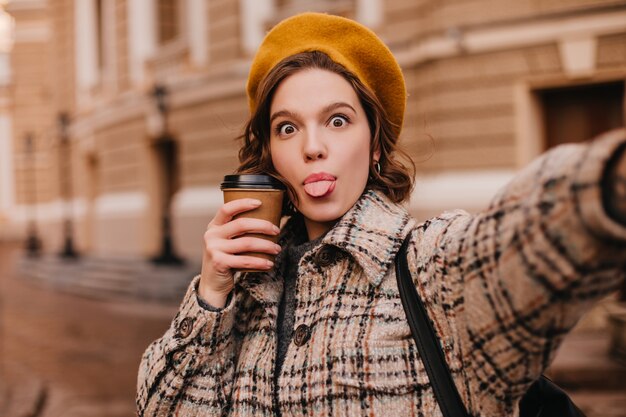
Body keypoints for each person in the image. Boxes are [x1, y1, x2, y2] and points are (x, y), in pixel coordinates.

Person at [136, 12, 626, 417]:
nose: (312, 147)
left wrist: (606, 183)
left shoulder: (433, 267)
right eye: (287, 128)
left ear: (374, 145)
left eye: (338, 120)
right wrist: (210, 296)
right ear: (270, 156)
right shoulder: (243, 293)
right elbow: (160, 408)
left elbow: (524, 239)